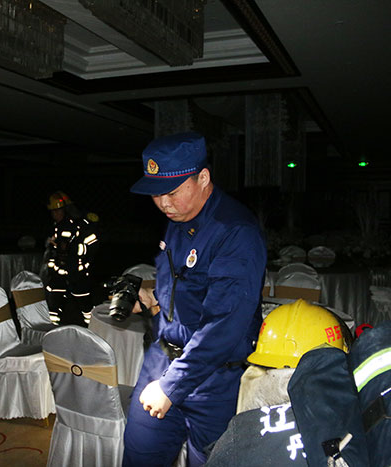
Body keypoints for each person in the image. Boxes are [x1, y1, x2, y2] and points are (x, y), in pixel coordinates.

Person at [123, 131, 267, 466]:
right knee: (140, 456)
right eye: (156, 194)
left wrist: (171, 386)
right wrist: (153, 299)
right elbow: (186, 284)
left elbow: (224, 324)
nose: (163, 203)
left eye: (172, 192)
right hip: (162, 362)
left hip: (214, 378)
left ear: (203, 178)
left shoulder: (235, 231)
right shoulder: (178, 217)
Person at [42, 190, 99, 326]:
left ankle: (93, 330)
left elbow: (90, 246)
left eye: (58, 211)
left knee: (85, 305)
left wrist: (80, 261)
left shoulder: (80, 227)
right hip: (59, 274)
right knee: (54, 306)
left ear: (66, 209)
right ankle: (52, 330)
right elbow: (53, 250)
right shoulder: (56, 227)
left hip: (77, 274)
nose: (55, 214)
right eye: (53, 211)